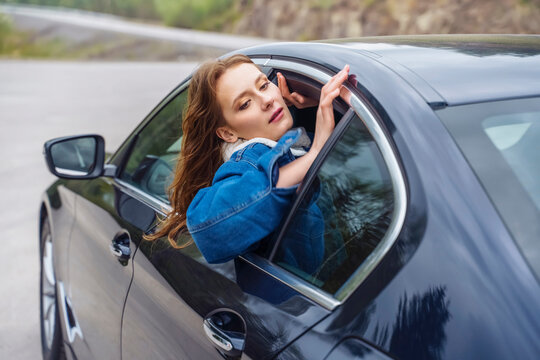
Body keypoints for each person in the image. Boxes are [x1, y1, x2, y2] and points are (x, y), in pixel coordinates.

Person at [145, 54, 349, 266]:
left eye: (263, 86)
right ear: (227, 133)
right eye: (244, 104)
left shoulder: (298, 142)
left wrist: (316, 102)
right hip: (294, 298)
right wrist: (315, 154)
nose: (267, 100)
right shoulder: (246, 164)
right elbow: (206, 228)